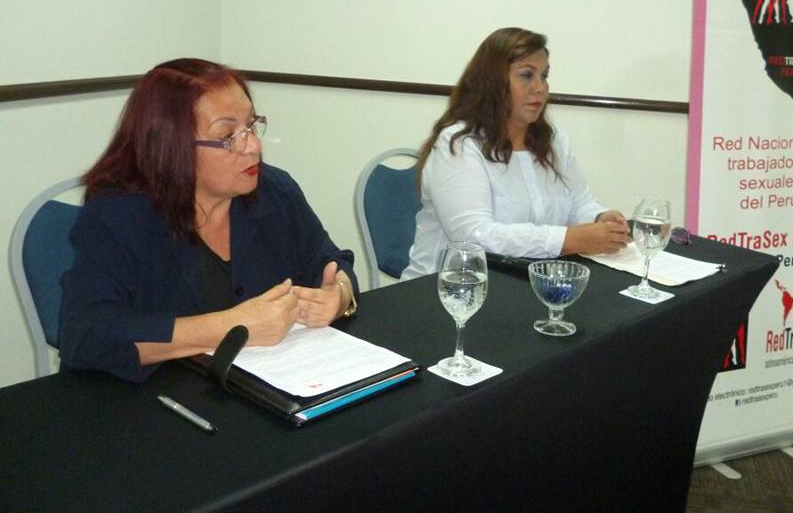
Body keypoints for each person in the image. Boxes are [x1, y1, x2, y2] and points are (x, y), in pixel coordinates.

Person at [59, 58, 358, 383]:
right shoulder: (117, 216)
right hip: (152, 399)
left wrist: (339, 297)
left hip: (265, 388)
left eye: (251, 126)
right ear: (172, 147)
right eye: (229, 135)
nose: (254, 146)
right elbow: (86, 336)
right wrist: (232, 326)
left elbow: (331, 262)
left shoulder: (274, 191)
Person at [402, 27, 630, 279]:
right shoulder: (459, 143)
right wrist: (567, 240)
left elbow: (579, 202)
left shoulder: (554, 141)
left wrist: (600, 218)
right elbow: (473, 235)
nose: (540, 87)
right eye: (526, 75)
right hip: (447, 287)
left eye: (544, 76)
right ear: (492, 82)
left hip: (524, 281)